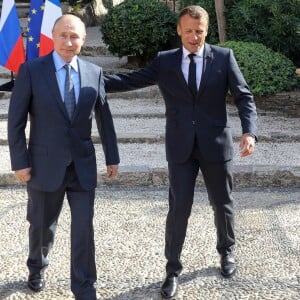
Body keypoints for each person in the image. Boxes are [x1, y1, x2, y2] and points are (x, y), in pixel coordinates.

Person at [104, 5, 257, 299]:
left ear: (206, 30)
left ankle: (227, 253)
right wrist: (86, 77)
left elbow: (244, 96)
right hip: (180, 148)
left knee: (222, 203)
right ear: (179, 30)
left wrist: (249, 132)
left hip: (216, 145)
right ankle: (172, 269)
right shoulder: (166, 61)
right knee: (178, 209)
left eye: (199, 31)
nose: (194, 36)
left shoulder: (223, 58)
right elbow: (129, 80)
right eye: (188, 30)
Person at [7, 14, 119, 300]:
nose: (69, 42)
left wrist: (112, 156)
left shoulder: (94, 73)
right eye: (64, 36)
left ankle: (84, 287)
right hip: (43, 165)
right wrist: (20, 162)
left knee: (83, 229)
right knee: (42, 225)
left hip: (82, 166)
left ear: (83, 40)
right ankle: (37, 266)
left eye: (75, 37)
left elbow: (104, 118)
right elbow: (16, 121)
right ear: (53, 37)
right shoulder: (31, 71)